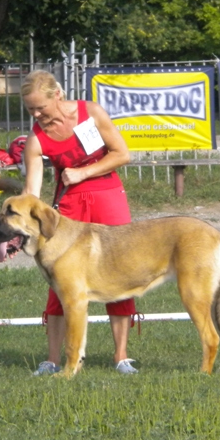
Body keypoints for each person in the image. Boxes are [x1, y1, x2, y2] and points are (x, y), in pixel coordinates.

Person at [21, 70, 139, 375]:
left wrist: (83, 173)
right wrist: (17, 225)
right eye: (30, 110)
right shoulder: (36, 139)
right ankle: (53, 360)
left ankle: (121, 357)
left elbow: (122, 154)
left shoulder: (91, 113)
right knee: (60, 280)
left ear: (57, 96)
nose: (37, 115)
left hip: (108, 195)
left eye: (41, 108)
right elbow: (31, 194)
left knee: (120, 271)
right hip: (69, 206)